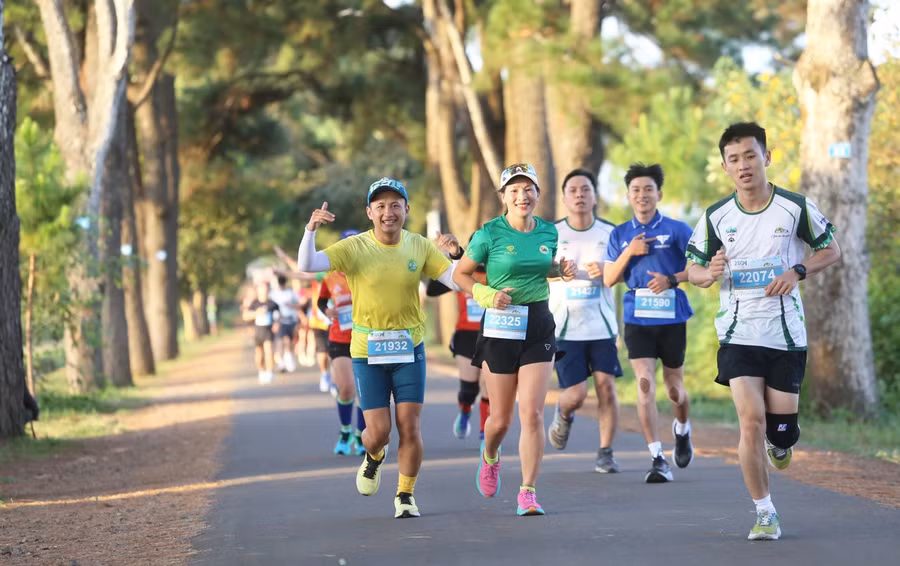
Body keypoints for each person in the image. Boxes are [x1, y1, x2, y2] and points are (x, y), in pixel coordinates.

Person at [686, 122, 840, 540]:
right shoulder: (716, 215)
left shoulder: (794, 207)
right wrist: (708, 273)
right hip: (738, 332)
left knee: (780, 432)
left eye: (750, 155)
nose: (743, 165)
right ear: (724, 166)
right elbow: (695, 269)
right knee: (750, 420)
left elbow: (831, 249)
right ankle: (764, 511)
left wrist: (798, 270)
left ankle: (782, 440)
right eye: (734, 159)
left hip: (786, 334)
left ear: (766, 157)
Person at [297, 177, 462, 519]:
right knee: (377, 434)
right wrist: (310, 230)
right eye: (381, 206)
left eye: (395, 205)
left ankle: (405, 494)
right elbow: (308, 265)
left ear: (406, 210)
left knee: (410, 426)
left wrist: (458, 257)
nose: (389, 212)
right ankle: (373, 457)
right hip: (367, 352)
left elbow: (455, 280)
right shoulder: (354, 248)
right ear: (370, 212)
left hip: (409, 348)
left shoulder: (419, 245)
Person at [453, 163, 576, 516]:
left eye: (528, 189)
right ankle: (490, 456)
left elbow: (540, 268)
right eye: (514, 190)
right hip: (500, 326)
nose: (522, 196)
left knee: (533, 414)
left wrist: (559, 271)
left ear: (538, 193)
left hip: (537, 323)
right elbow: (461, 275)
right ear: (504, 196)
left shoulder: (548, 233)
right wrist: (486, 295)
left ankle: (527, 491)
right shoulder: (489, 234)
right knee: (501, 420)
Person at [604, 162, 695, 483]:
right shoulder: (619, 234)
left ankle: (682, 430)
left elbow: (703, 270)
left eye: (648, 189)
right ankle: (657, 457)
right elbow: (609, 278)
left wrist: (672, 278)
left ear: (659, 194)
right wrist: (629, 252)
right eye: (636, 190)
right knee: (644, 382)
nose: (642, 195)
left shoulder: (679, 230)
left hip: (672, 317)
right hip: (637, 317)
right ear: (628, 196)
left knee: (674, 390)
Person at [546, 169, 624, 473]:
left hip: (602, 326)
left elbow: (621, 272)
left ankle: (606, 451)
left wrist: (606, 268)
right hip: (565, 326)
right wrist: (556, 271)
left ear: (595, 196)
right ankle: (563, 412)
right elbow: (535, 271)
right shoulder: (550, 233)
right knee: (576, 394)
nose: (580, 195)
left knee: (606, 386)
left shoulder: (610, 233)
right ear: (564, 197)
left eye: (585, 189)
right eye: (573, 190)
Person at [426, 259, 491, 441]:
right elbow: (432, 290)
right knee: (469, 389)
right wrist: (444, 260)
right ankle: (465, 410)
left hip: (492, 334)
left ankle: (485, 431)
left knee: (488, 385)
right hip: (466, 337)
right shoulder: (462, 273)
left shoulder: (498, 272)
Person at [318, 229, 367, 456]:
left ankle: (361, 434)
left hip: (366, 338)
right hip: (339, 338)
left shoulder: (369, 272)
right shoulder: (330, 276)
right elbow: (321, 302)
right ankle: (346, 431)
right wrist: (327, 310)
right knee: (346, 388)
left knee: (365, 391)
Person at [242, 282, 280, 384]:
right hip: (258, 332)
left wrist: (276, 324)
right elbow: (245, 316)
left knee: (269, 351)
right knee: (259, 354)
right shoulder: (254, 304)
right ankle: (261, 371)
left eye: (266, 290)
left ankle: (270, 372)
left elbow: (277, 317)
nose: (264, 292)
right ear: (258, 292)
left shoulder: (273, 304)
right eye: (262, 290)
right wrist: (256, 313)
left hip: (268, 331)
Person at [270, 276, 302, 372]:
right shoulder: (274, 294)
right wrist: (275, 322)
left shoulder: (291, 293)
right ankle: (282, 363)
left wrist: (291, 306)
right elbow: (271, 308)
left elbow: (299, 304)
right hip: (280, 321)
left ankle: (289, 359)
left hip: (292, 320)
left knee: (291, 342)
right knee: (283, 341)